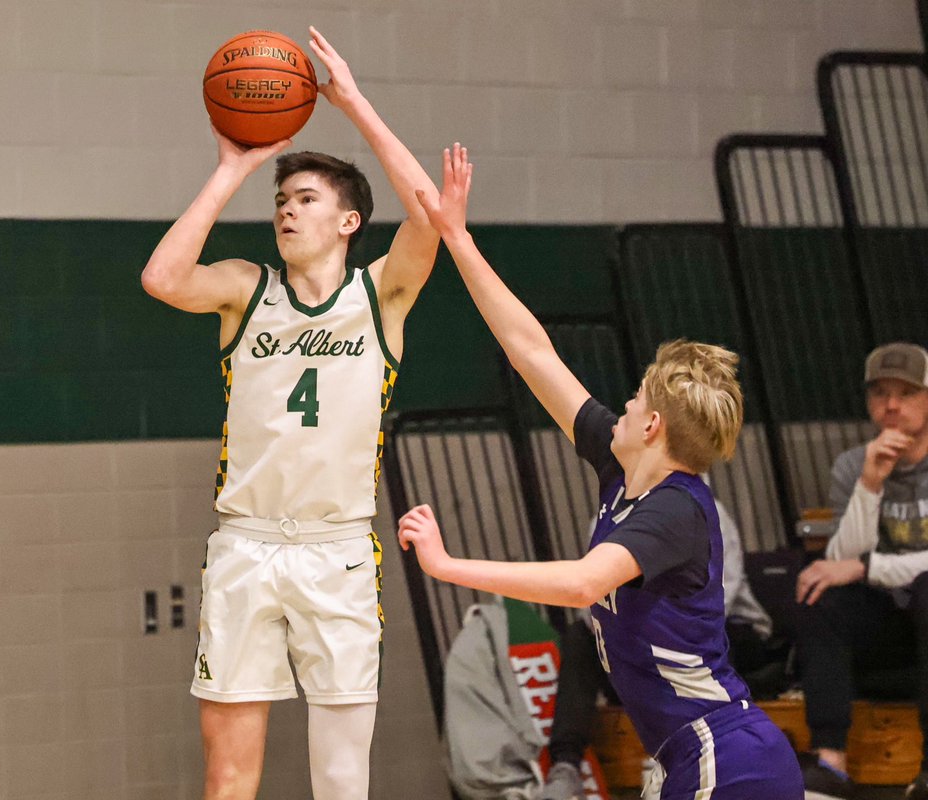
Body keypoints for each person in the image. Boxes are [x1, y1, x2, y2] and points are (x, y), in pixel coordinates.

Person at [398, 144, 803, 799]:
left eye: (636, 398)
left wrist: (448, 567)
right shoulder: (622, 471)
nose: (622, 405)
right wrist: (457, 239)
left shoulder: (675, 509)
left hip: (725, 756)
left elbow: (584, 583)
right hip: (688, 755)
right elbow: (531, 353)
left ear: (653, 426)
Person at [141, 26, 440, 800]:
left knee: (341, 780)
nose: (287, 211)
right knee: (227, 778)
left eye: (306, 199)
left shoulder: (380, 296)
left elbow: (430, 213)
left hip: (338, 552)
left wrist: (355, 104)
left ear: (348, 222)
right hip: (246, 546)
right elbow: (162, 278)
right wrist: (231, 168)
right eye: (281, 201)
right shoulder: (245, 289)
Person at [541, 492, 777, 800]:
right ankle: (566, 764)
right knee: (579, 637)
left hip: (716, 633)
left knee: (711, 636)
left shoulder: (705, 510)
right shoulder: (607, 519)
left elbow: (718, 599)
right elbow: (593, 602)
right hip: (637, 644)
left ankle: (711, 760)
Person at [794, 342, 928, 800]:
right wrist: (870, 482)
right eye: (880, 393)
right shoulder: (853, 464)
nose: (891, 405)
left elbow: (857, 564)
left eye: (906, 393)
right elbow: (839, 563)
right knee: (820, 590)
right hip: (889, 628)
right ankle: (830, 763)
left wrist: (867, 567)